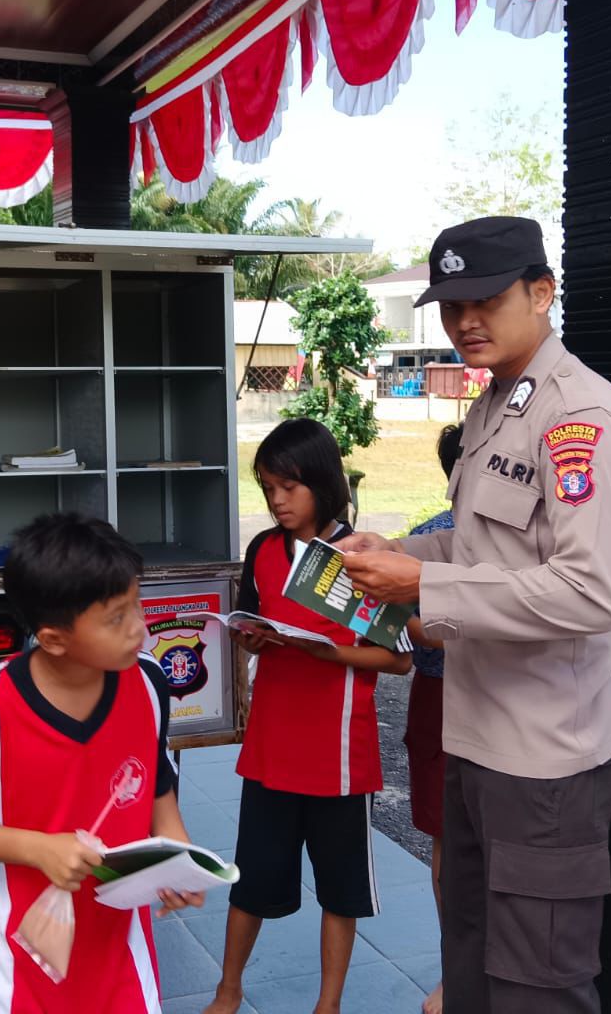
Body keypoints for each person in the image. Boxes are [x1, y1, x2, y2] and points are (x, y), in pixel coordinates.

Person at [341, 216, 611, 1014]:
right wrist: (402, 555)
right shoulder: (492, 411)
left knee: (537, 987)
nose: (464, 321)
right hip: (477, 742)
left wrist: (426, 590)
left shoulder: (584, 420)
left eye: (485, 299)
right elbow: (487, 557)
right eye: (450, 306)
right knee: (471, 964)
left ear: (541, 293)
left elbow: (590, 593)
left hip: (548, 759)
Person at [0, 512, 204, 1013]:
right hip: (18, 955)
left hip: (119, 945)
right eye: (116, 617)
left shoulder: (149, 681)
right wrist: (40, 849)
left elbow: (156, 777)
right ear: (52, 639)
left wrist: (173, 844)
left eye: (137, 605)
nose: (140, 627)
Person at [204, 418, 413, 1014]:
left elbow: (397, 661)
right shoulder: (263, 550)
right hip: (271, 747)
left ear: (322, 483)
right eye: (268, 487)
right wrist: (255, 639)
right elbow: (252, 621)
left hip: (339, 753)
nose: (276, 500)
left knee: (340, 890)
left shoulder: (360, 556)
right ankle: (228, 990)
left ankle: (328, 1005)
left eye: (288, 487)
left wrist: (328, 652)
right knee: (252, 878)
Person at [406, 422, 463, 1014]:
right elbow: (411, 636)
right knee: (452, 841)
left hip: (470, 698)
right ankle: (457, 976)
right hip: (442, 699)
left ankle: (462, 979)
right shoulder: (427, 540)